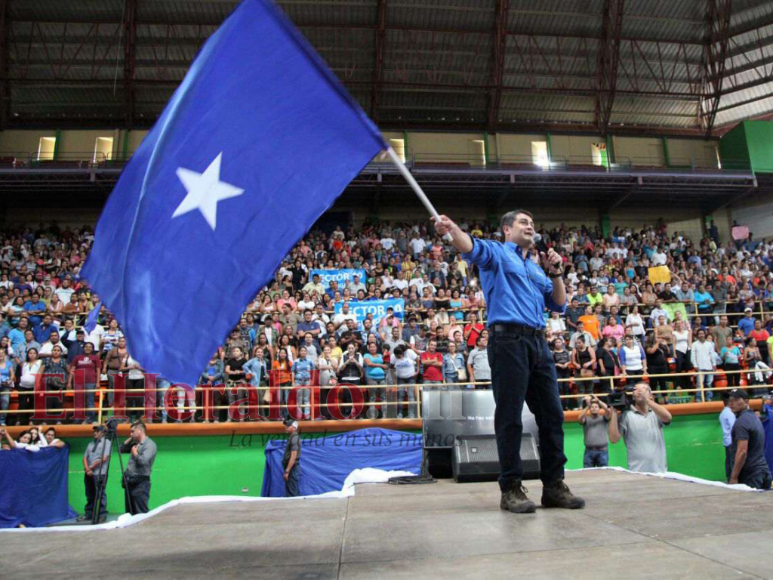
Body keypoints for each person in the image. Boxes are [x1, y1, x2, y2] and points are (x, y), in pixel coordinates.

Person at [433, 210, 584, 514]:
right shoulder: (497, 253)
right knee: (510, 417)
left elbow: (558, 304)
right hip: (507, 341)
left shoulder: (535, 267)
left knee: (553, 416)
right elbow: (469, 246)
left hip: (538, 342)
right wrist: (450, 229)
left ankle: (554, 485)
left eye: (532, 222)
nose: (530, 226)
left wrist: (556, 272)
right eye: (523, 223)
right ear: (506, 229)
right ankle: (511, 488)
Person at [608, 382, 672, 473]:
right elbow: (613, 439)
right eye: (635, 390)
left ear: (650, 394)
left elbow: (668, 417)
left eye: (643, 389)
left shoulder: (656, 412)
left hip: (660, 471)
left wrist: (648, 401)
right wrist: (613, 413)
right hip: (637, 472)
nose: (638, 391)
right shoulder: (626, 415)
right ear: (633, 396)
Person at [727, 389, 772, 489]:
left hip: (750, 475)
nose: (731, 403)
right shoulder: (755, 418)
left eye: (735, 400)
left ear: (746, 401)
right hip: (763, 471)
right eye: (730, 400)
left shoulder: (741, 422)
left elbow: (742, 451)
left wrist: (734, 477)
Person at [119, 421, 157, 515]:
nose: (130, 434)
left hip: (141, 482)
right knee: (129, 512)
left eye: (132, 431)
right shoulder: (135, 444)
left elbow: (143, 461)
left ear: (140, 431)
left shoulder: (150, 445)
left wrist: (135, 453)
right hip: (130, 481)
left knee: (140, 512)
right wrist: (130, 439)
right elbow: (121, 449)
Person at [77, 424, 111, 523]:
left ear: (103, 432)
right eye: (94, 431)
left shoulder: (107, 443)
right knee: (89, 493)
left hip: (100, 473)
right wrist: (87, 468)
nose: (95, 433)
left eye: (97, 431)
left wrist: (90, 468)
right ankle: (89, 514)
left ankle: (102, 514)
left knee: (100, 493)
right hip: (89, 472)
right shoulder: (90, 444)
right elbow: (84, 457)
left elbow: (104, 458)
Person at [578, 396, 611, 467]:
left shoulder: (604, 418)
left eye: (596, 407)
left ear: (599, 409)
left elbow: (609, 410)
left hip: (603, 451)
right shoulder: (586, 419)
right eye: (592, 407)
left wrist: (599, 401)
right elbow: (579, 418)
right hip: (589, 451)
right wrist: (587, 406)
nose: (594, 408)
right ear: (590, 409)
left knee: (603, 474)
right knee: (587, 475)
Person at [282, 418, 301, 497]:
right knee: (291, 491)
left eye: (288, 426)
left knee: (292, 493)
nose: (286, 427)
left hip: (292, 468)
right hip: (291, 468)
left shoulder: (294, 438)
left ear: (294, 427)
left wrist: (287, 471)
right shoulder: (292, 437)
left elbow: (293, 456)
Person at [719, 397, 736, 482]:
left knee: (729, 460)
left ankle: (729, 478)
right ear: (730, 402)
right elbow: (734, 427)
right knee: (733, 460)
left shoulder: (723, 413)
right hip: (731, 440)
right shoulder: (729, 414)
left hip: (727, 440)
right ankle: (732, 478)